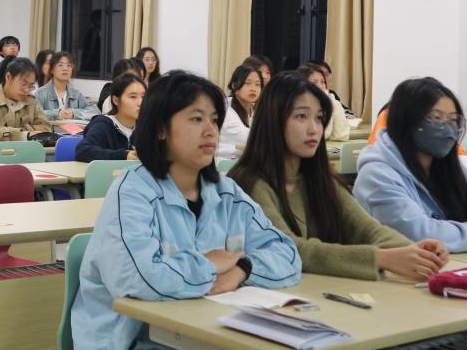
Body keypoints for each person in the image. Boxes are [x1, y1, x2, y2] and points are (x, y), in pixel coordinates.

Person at [71, 70, 301, 350]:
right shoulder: (132, 193)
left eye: (214, 119)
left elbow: (287, 254)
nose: (211, 130)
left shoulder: (226, 193)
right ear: (161, 129)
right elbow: (139, 280)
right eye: (196, 119)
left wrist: (243, 268)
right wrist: (210, 264)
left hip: (206, 330)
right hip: (130, 340)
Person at [229, 73, 449, 281]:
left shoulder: (319, 179)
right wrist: (381, 258)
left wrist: (415, 251)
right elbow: (289, 248)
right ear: (273, 120)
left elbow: (368, 230)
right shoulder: (251, 183)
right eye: (301, 116)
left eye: (319, 118)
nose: (314, 129)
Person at [354, 77, 467, 253]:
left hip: (453, 262)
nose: (447, 128)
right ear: (407, 120)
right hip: (399, 268)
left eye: (452, 120)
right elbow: (419, 234)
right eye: (436, 118)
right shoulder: (377, 174)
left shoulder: (448, 167)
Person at [0, 57, 51, 141]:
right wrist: (23, 134)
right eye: (23, 84)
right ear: (8, 77)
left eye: (31, 86)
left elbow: (46, 127)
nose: (26, 90)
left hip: (25, 149)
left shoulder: (31, 101)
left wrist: (23, 132)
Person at [75, 73, 145, 162]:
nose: (140, 103)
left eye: (143, 97)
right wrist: (122, 155)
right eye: (133, 97)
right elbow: (83, 151)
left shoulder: (144, 127)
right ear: (116, 100)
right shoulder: (103, 125)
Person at [35, 52, 99, 121]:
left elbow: (95, 112)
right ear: (52, 70)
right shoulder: (40, 93)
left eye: (68, 65)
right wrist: (56, 114)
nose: (65, 68)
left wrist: (73, 113)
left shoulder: (76, 94)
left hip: (74, 128)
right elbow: (35, 115)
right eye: (60, 65)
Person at [296, 64, 350, 142]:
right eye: (314, 83)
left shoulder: (328, 100)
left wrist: (333, 102)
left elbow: (341, 135)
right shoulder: (297, 107)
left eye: (322, 82)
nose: (321, 86)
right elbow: (322, 135)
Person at [218, 64, 262, 156]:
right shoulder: (226, 109)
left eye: (257, 84)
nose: (253, 89)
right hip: (223, 160)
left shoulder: (256, 110)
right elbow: (247, 138)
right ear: (234, 86)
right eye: (248, 83)